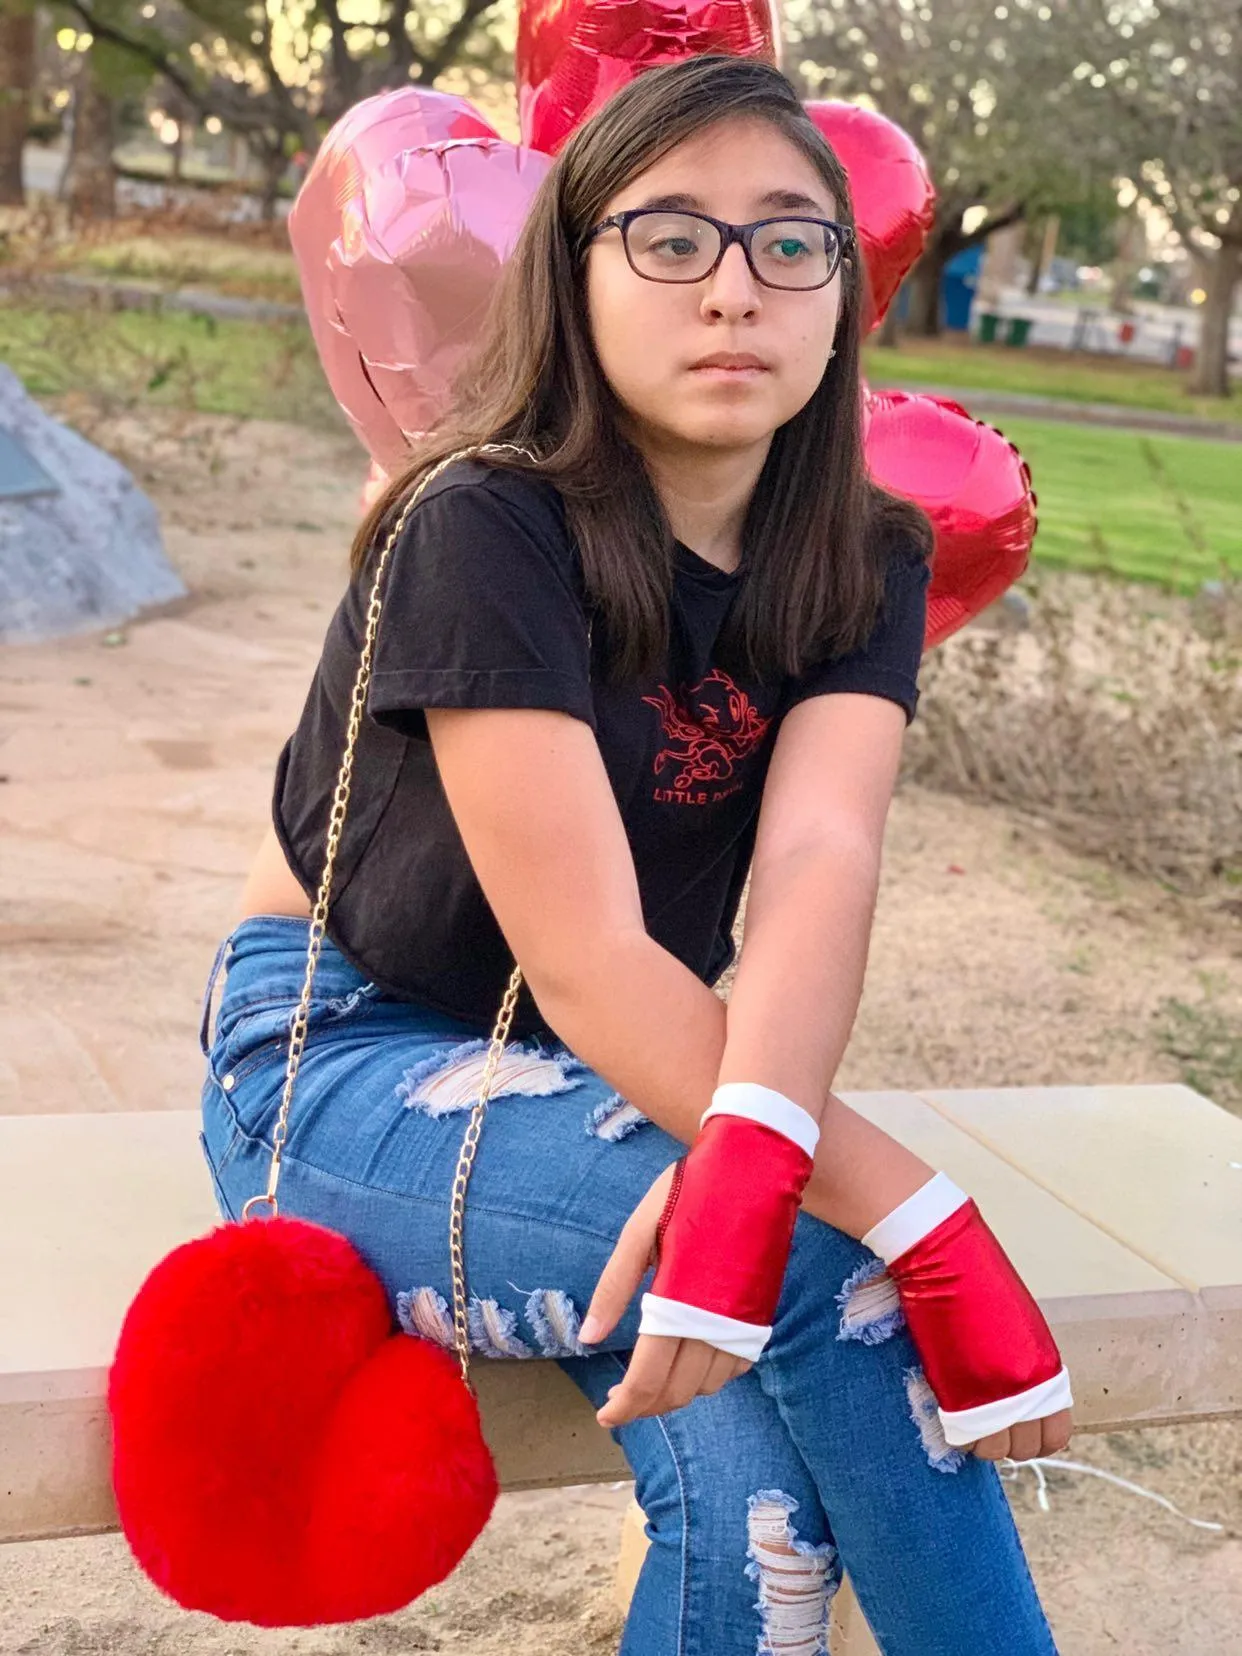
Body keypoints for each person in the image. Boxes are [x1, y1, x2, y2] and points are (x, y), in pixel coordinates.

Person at [199, 53, 1071, 1655]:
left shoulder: (861, 552)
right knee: (846, 1281)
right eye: (668, 238)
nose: (732, 289)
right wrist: (915, 1214)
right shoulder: (485, 518)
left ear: (838, 299)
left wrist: (748, 1148)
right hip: (344, 1052)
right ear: (573, 273)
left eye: (788, 241)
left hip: (610, 1064)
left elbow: (819, 855)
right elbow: (592, 948)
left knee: (758, 1508)